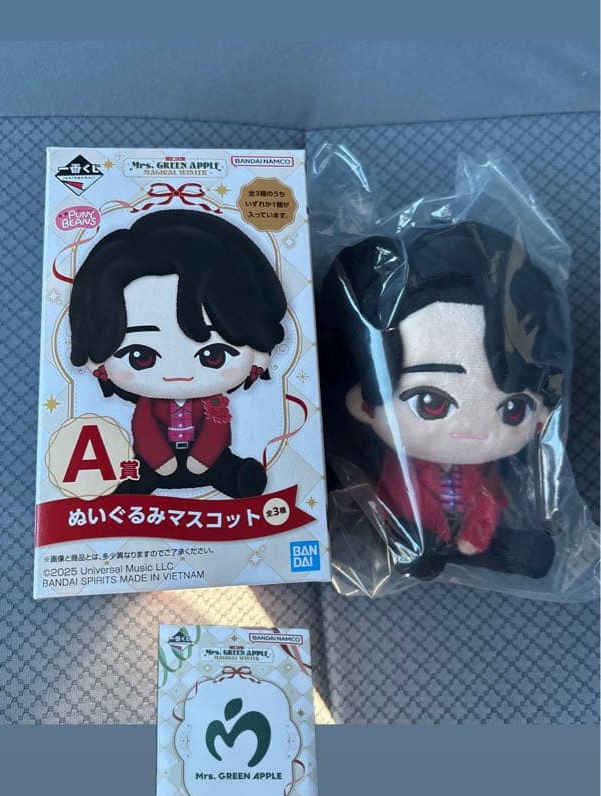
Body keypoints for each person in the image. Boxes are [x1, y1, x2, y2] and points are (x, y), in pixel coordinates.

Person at [321, 221, 567, 579]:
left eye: (513, 410)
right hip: (416, 529)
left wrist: (474, 536)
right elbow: (390, 501)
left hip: (459, 535)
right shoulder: (393, 469)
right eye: (430, 403)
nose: (471, 430)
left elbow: (489, 502)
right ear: (364, 404)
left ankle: (473, 552)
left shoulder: (485, 474)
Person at [69, 208, 287, 497]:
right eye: (141, 357)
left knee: (227, 469)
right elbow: (145, 429)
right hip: (156, 462)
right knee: (137, 475)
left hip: (209, 460)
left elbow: (216, 430)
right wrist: (160, 460)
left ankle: (236, 478)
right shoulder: (149, 406)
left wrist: (202, 459)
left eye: (213, 356)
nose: (178, 374)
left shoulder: (214, 404)